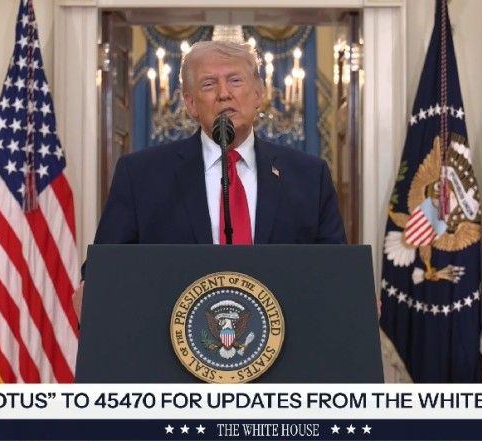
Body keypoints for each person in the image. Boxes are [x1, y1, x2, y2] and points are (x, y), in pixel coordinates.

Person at [74, 40, 346, 314]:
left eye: (235, 80)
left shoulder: (309, 176)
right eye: (208, 84)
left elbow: (337, 272)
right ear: (191, 103)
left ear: (258, 94)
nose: (224, 93)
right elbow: (105, 270)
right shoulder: (140, 176)